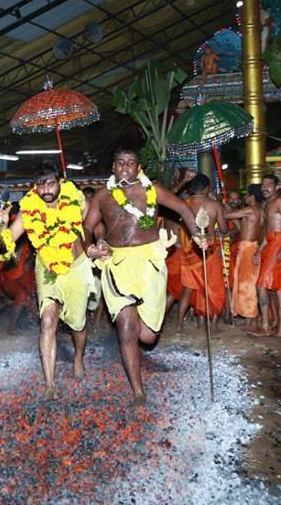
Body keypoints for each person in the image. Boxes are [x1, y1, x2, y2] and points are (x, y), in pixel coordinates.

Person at [84, 148, 203, 406]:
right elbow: (87, 226)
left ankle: (139, 339)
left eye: (131, 163)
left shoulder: (153, 190)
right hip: (116, 263)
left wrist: (197, 233)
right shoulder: (103, 196)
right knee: (126, 326)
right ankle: (138, 392)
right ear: (113, 168)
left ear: (138, 167)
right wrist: (90, 245)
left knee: (148, 336)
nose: (125, 167)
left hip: (149, 262)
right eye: (120, 163)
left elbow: (182, 207)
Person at [0, 161, 92, 399]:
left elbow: (88, 219)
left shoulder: (75, 198)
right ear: (35, 187)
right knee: (48, 320)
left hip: (76, 267)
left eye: (51, 183)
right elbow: (4, 246)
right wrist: (1, 224)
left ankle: (78, 357)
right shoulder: (29, 210)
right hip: (47, 268)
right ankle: (50, 383)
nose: (46, 189)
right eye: (41, 184)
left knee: (77, 323)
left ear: (60, 182)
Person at [181, 174, 228, 330]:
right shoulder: (214, 205)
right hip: (209, 248)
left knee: (194, 287)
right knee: (214, 286)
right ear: (207, 188)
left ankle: (198, 322)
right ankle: (213, 324)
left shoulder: (185, 204)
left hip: (190, 250)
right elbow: (224, 229)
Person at [253, 174, 281, 338]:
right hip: (271, 244)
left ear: (276, 187)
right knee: (278, 287)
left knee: (262, 285)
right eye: (263, 184)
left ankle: (266, 326)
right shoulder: (268, 204)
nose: (265, 187)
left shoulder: (279, 202)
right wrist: (259, 251)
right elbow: (267, 233)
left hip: (279, 244)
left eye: (269, 184)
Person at [225, 184, 264, 330]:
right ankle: (248, 319)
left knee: (247, 285)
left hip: (248, 249)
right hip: (251, 247)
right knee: (246, 284)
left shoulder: (250, 210)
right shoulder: (261, 210)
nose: (245, 198)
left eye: (246, 195)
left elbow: (226, 216)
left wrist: (227, 208)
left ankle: (252, 320)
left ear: (252, 196)